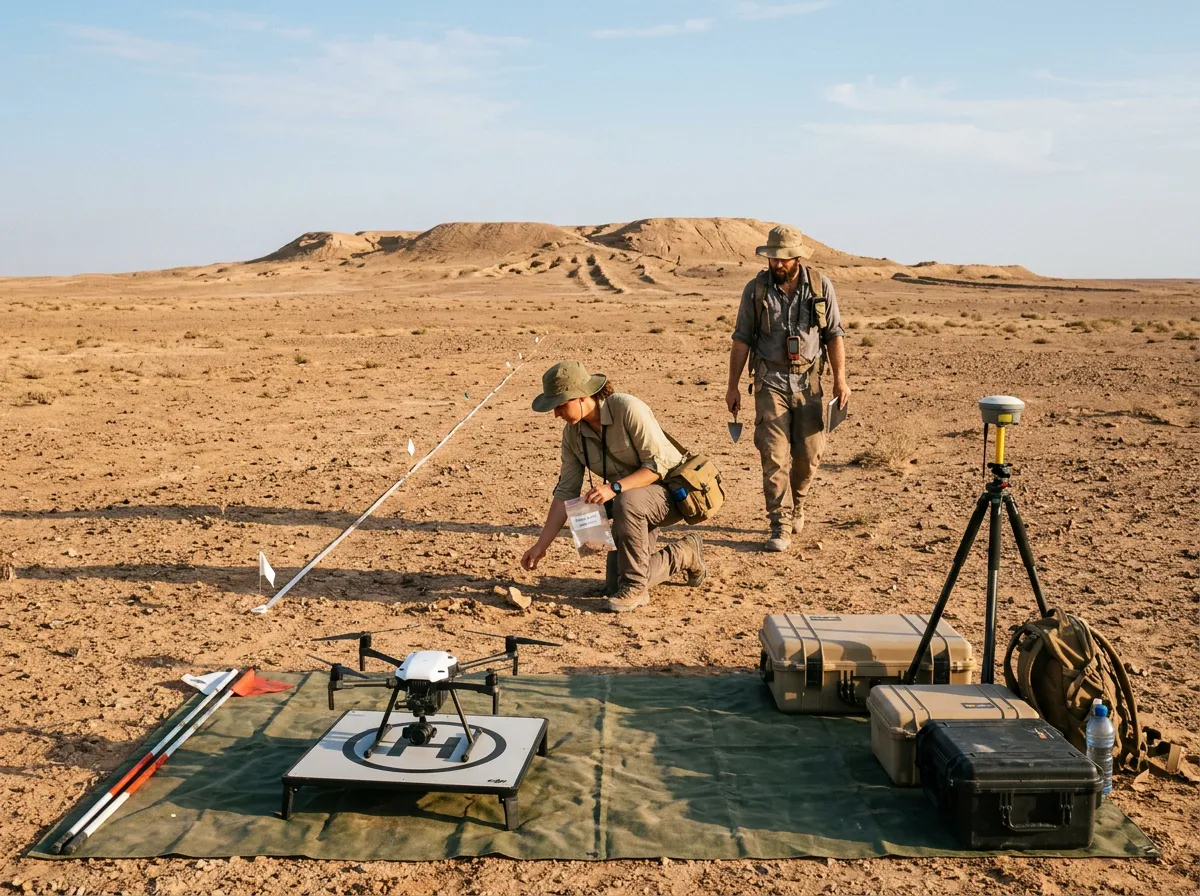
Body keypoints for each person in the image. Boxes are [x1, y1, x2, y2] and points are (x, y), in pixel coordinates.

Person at [521, 360, 706, 613]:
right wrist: (540, 547)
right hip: (631, 506)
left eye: (560, 405)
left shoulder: (627, 408)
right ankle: (685, 553)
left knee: (626, 503)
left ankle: (635, 588)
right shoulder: (572, 435)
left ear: (582, 397)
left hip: (672, 495)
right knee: (613, 584)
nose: (556, 414)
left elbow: (656, 467)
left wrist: (614, 488)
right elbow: (566, 493)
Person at [725, 224, 850, 552]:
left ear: (797, 258)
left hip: (809, 383)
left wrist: (840, 380)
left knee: (808, 455)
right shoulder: (756, 290)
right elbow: (741, 339)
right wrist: (733, 386)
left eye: (783, 260)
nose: (777, 265)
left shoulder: (821, 287)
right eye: (773, 259)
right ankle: (779, 523)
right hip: (770, 382)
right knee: (774, 454)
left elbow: (834, 334)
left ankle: (798, 503)